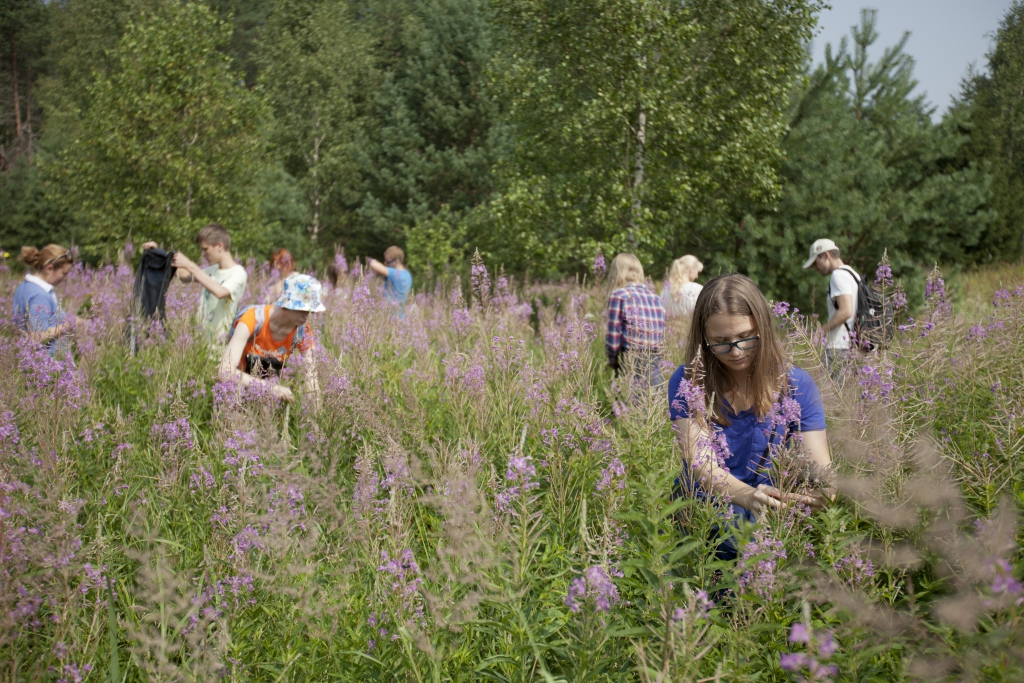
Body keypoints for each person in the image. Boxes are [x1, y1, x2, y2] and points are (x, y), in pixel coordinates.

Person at [668, 274, 832, 559]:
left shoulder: (797, 385)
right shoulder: (688, 382)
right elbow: (701, 462)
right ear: (704, 339)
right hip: (701, 525)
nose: (736, 351)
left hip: (766, 529)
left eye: (746, 337)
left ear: (763, 328)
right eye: (721, 341)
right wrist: (747, 496)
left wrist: (816, 494)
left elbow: (821, 471)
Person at [220, 274, 324, 403]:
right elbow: (225, 372)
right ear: (287, 305)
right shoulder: (252, 319)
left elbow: (311, 379)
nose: (307, 316)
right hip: (236, 393)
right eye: (303, 309)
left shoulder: (302, 330)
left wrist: (317, 418)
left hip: (270, 402)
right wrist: (272, 388)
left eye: (311, 311)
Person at [141, 224, 248, 341]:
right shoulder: (212, 270)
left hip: (219, 344)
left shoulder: (238, 273)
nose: (203, 254)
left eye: (205, 249)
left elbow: (220, 291)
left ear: (219, 246)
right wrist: (159, 255)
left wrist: (190, 265)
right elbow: (183, 275)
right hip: (201, 341)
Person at [605, 253, 666, 386]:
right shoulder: (656, 298)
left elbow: (613, 336)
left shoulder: (619, 296)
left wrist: (612, 360)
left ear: (617, 273)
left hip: (631, 359)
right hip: (655, 359)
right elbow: (662, 335)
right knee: (651, 402)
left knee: (628, 403)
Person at [803, 239, 859, 380]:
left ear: (826, 255)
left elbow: (846, 311)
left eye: (816, 262)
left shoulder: (838, 276)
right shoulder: (853, 274)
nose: (816, 268)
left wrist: (821, 331)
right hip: (852, 347)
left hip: (838, 347)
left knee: (828, 397)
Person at [13, 244, 77, 357]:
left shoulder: (24, 286)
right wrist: (66, 326)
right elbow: (36, 336)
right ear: (49, 269)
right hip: (47, 367)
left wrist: (83, 321)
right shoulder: (39, 295)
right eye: (64, 273)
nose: (66, 278)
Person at [367, 246, 412, 313]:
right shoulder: (408, 275)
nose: (385, 263)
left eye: (388, 262)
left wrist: (371, 260)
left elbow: (374, 265)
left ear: (396, 261)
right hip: (400, 315)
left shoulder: (395, 274)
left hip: (389, 315)